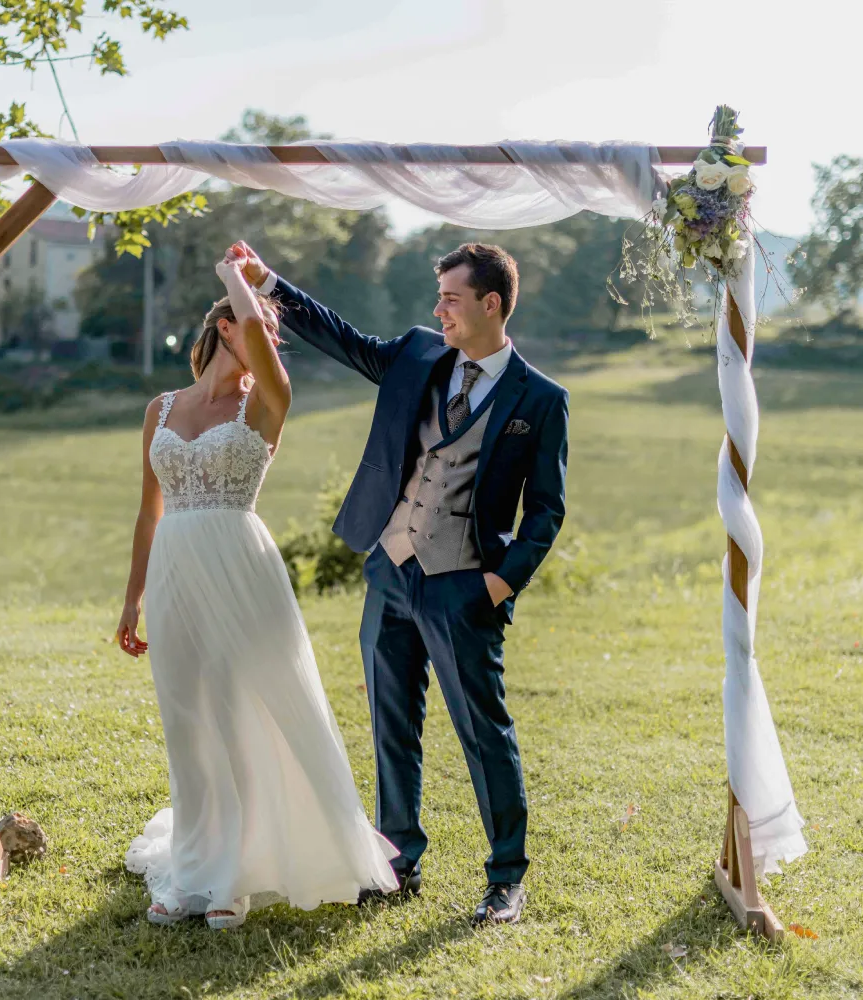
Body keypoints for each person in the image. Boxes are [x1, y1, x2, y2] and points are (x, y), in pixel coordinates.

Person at [226, 240, 569, 925]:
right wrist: (268, 282)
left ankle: (506, 878)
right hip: (390, 568)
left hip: (464, 585)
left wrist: (499, 585)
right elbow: (342, 338)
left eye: (451, 299)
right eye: (439, 298)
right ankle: (397, 860)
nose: (439, 309)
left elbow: (546, 510)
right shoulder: (416, 353)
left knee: (483, 732)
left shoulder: (541, 398)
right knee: (391, 723)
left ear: (491, 303)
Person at [115, 249, 398, 930]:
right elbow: (148, 513)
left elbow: (268, 358)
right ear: (224, 329)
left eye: (273, 335)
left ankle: (233, 875)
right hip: (174, 570)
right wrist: (131, 598)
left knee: (237, 714)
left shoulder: (268, 402)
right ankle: (190, 866)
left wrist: (235, 278)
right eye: (260, 329)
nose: (271, 342)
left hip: (240, 568)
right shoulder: (161, 409)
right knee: (185, 719)